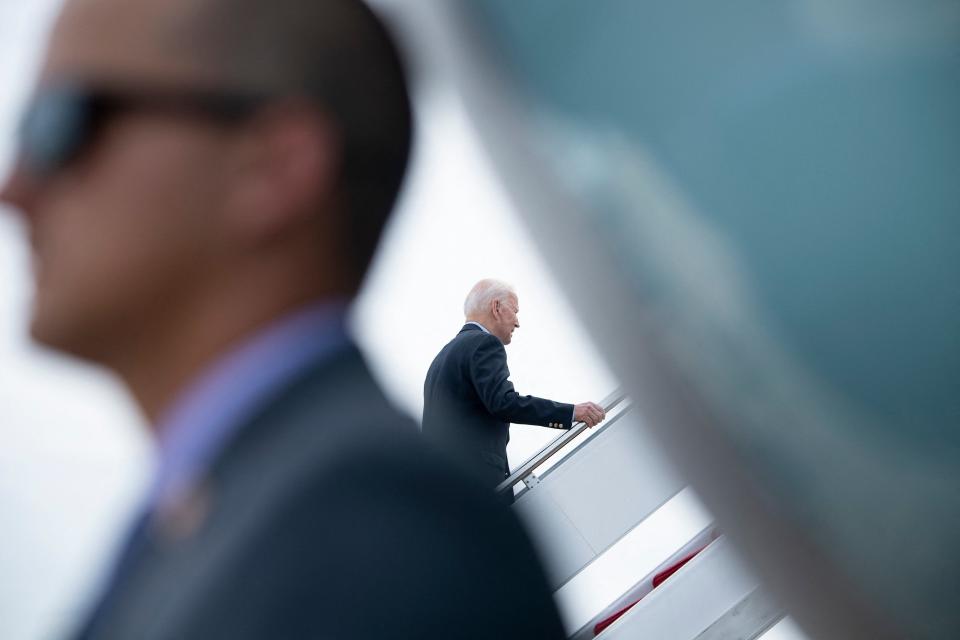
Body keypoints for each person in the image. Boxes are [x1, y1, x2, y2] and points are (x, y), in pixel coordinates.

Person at [0, 1, 567, 638]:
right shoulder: (272, 527)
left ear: (272, 164)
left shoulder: (368, 532)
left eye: (62, 124)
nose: (14, 188)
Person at [422, 279, 606, 497]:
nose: (517, 322)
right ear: (496, 308)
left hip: (442, 486)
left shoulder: (441, 359)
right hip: (478, 484)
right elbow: (504, 402)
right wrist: (571, 412)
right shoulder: (484, 344)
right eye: (515, 311)